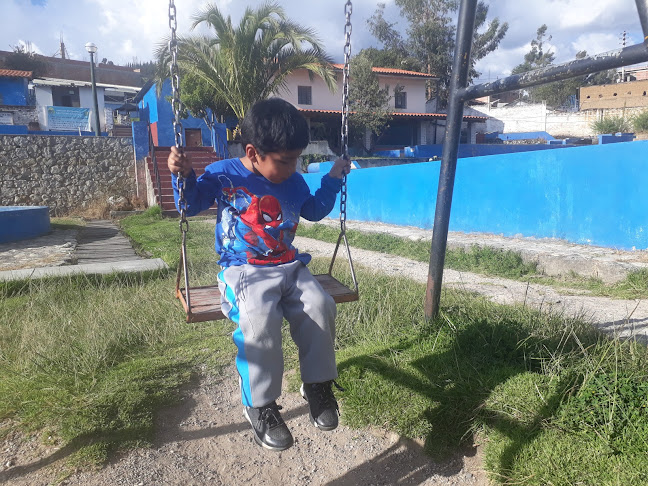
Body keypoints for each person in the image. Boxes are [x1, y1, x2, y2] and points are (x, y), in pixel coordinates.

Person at [167, 98, 351, 452]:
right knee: (259, 318)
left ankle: (317, 385)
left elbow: (312, 210)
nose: (291, 167)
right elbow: (189, 205)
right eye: (284, 161)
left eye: (295, 159)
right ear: (253, 152)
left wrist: (331, 179)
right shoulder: (224, 174)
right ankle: (261, 405)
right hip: (243, 269)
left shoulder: (293, 181)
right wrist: (184, 175)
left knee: (320, 304)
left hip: (289, 265)